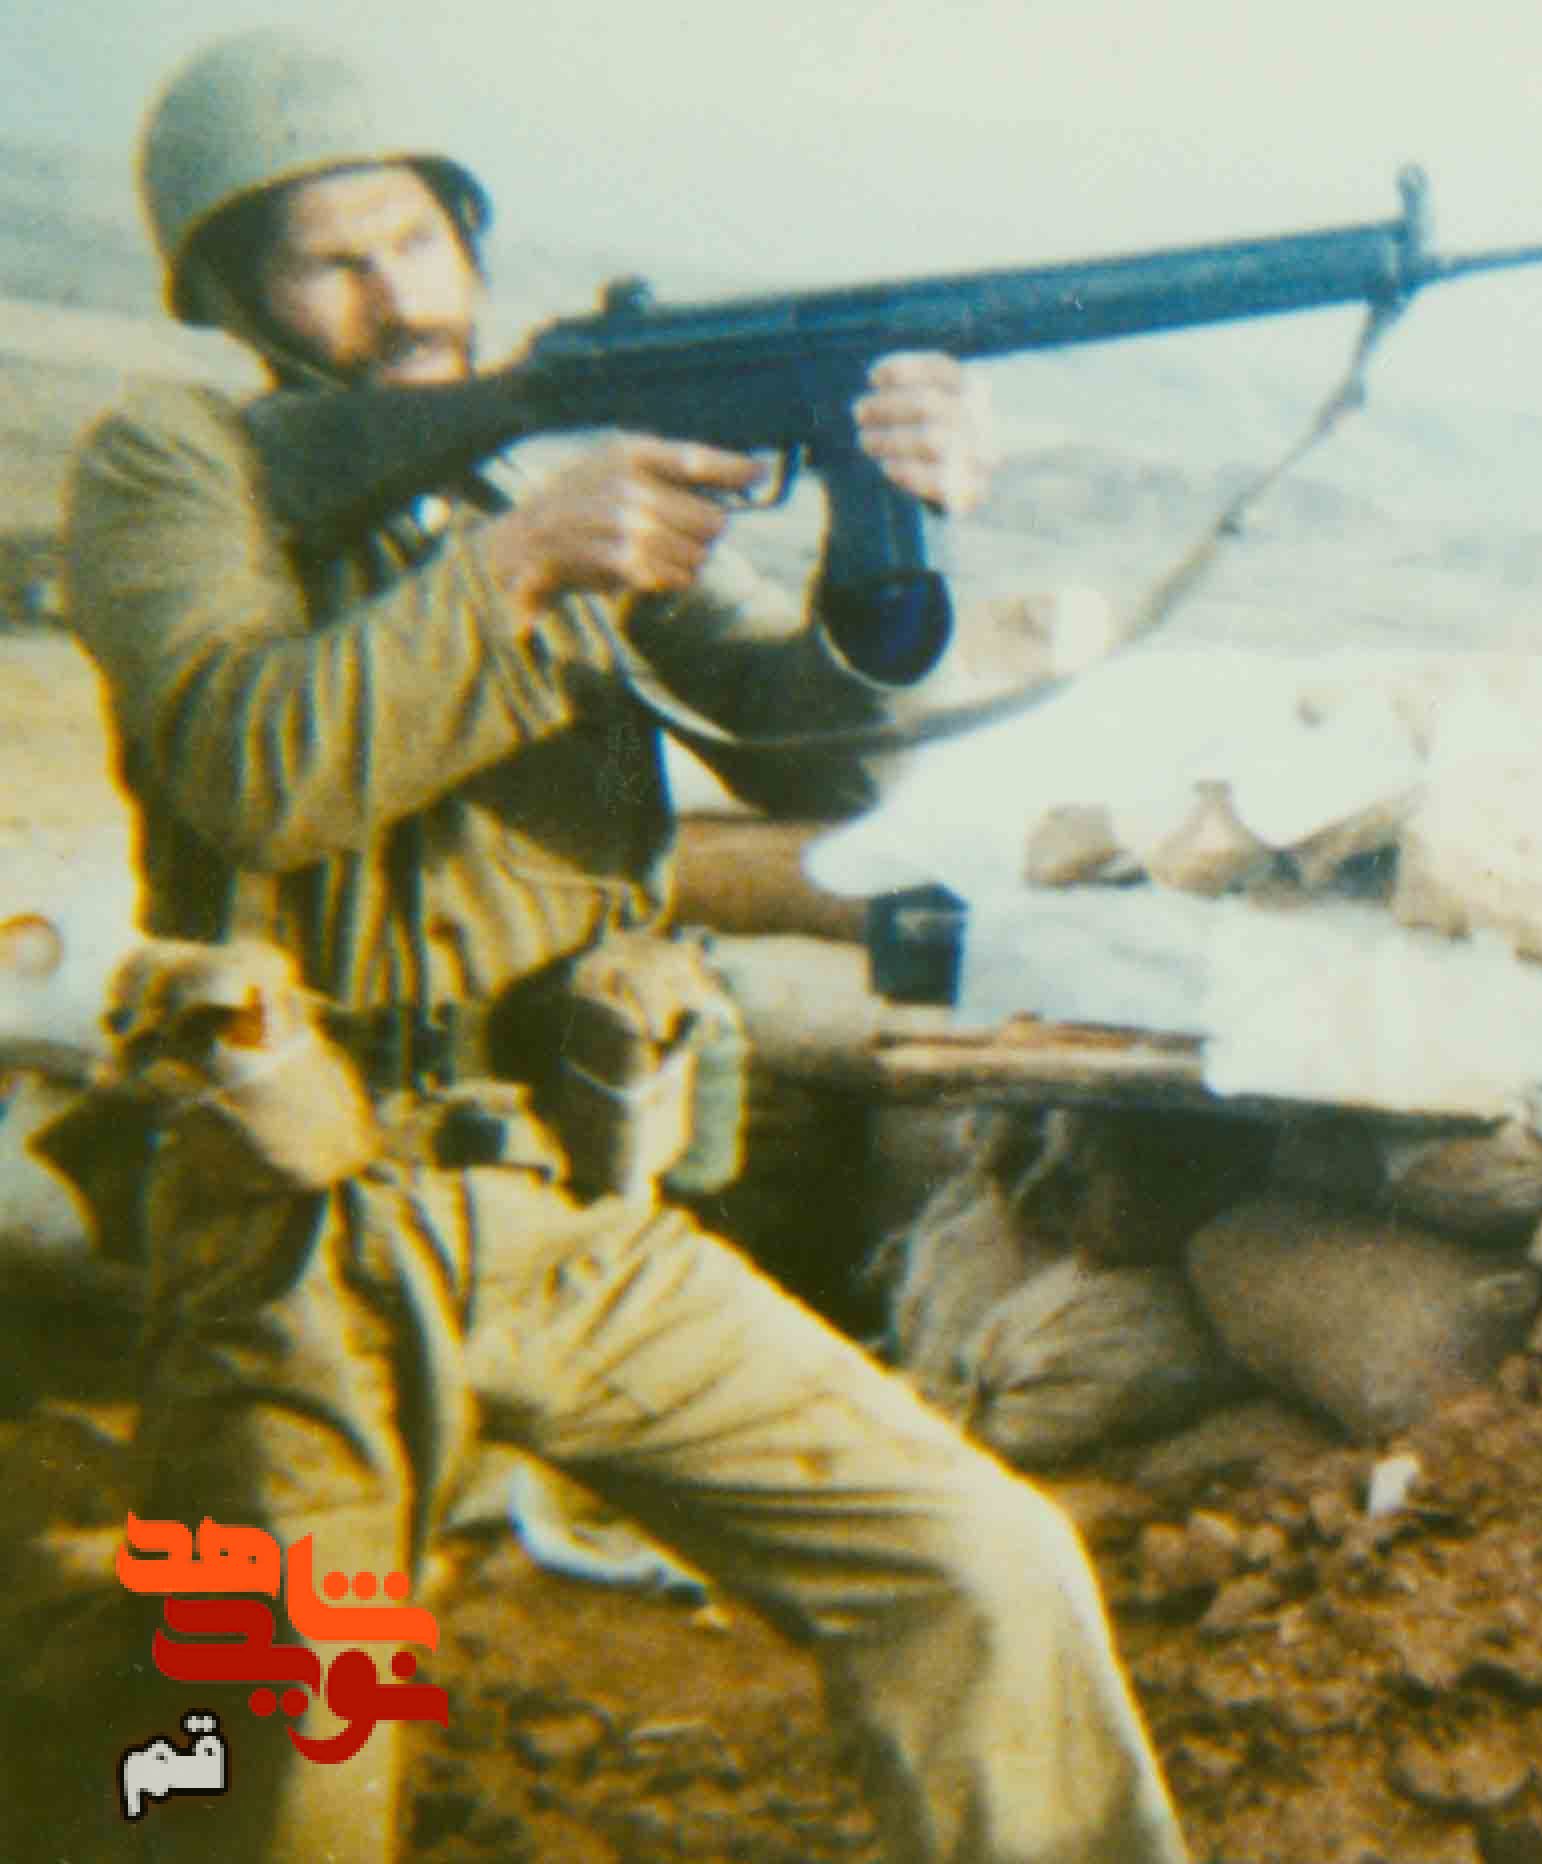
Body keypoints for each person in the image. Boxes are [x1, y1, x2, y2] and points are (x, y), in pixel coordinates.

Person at [59, 27, 1190, 1863]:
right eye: (329, 264)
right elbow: (252, 774)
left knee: (981, 1562)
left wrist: (882, 539)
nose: (395, 297)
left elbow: (809, 752)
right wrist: (515, 569)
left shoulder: (525, 480)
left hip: (575, 1221)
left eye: (415, 242)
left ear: (469, 240)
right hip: (292, 1244)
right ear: (232, 295)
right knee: (267, 1769)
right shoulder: (178, 466)